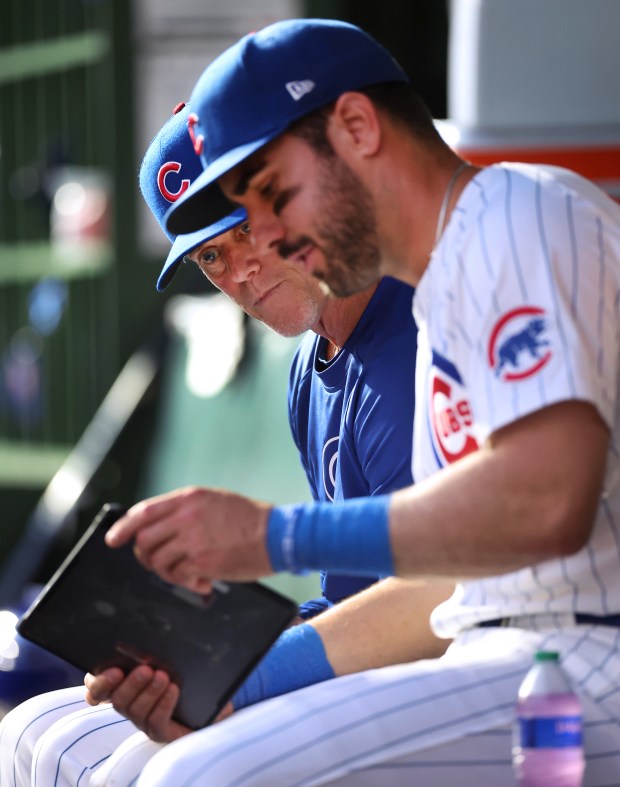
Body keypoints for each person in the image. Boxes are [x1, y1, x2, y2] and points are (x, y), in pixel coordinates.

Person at [74, 17, 620, 785]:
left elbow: (544, 502)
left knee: (195, 779)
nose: (262, 237)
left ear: (358, 126)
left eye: (271, 193)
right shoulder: (443, 288)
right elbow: (452, 586)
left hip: (586, 656)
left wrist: (274, 536)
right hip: (513, 653)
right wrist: (226, 676)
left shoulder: (514, 215)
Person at [0, 101, 452, 785]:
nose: (238, 270)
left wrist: (255, 676)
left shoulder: (418, 331)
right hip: (380, 669)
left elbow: (444, 599)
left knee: (168, 773)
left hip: (473, 673)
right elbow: (349, 598)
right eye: (211, 254)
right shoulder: (309, 363)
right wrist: (196, 661)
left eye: (243, 232)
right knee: (33, 732)